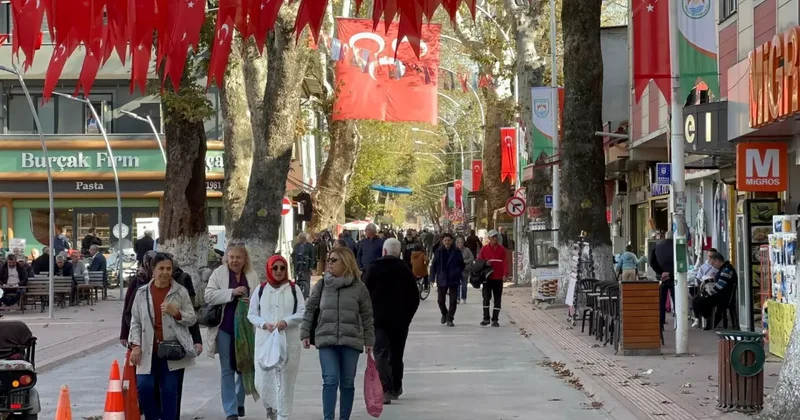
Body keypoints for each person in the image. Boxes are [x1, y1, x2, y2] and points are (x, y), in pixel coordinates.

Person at [300, 247, 375, 420]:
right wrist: (305, 332)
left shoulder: (359, 288)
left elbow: (367, 316)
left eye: (334, 260)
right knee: (330, 380)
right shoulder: (321, 285)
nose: (329, 263)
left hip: (351, 340)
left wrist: (369, 340)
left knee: (347, 383)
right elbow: (310, 309)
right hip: (326, 339)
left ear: (346, 262)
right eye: (328, 259)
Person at [128, 253, 197, 420]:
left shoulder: (180, 292)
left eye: (168, 268)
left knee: (169, 390)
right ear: (153, 270)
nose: (165, 272)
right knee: (144, 387)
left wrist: (177, 313)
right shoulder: (142, 293)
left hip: (171, 350)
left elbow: (192, 318)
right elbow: (135, 321)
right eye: (161, 268)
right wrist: (135, 346)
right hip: (147, 350)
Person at [204, 244, 259, 420]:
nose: (234, 261)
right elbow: (208, 296)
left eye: (238, 257)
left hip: (246, 329)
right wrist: (231, 292)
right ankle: (231, 410)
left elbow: (259, 298)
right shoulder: (218, 273)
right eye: (231, 257)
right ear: (226, 258)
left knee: (244, 366)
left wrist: (252, 302)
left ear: (245, 260)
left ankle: (239, 400)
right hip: (225, 327)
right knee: (227, 369)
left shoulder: (251, 275)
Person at [248, 255, 305, 420]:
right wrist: (264, 324)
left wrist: (286, 322)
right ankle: (271, 407)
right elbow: (252, 314)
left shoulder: (294, 289)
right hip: (265, 342)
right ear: (269, 269)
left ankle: (283, 414)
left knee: (286, 382)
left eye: (282, 268)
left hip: (289, 342)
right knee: (262, 381)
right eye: (275, 268)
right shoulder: (261, 290)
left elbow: (301, 312)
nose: (279, 271)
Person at [364, 239, 419, 404]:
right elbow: (414, 298)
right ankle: (396, 386)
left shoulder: (373, 268)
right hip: (400, 321)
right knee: (397, 353)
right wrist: (407, 317)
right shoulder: (405, 270)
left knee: (380, 352)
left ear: (384, 252)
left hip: (378, 319)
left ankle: (385, 388)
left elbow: (363, 293)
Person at [692, 252, 737, 330]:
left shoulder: (727, 269)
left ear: (717, 261)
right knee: (696, 299)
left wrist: (708, 293)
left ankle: (710, 319)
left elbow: (720, 285)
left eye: (713, 264)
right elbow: (717, 279)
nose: (713, 266)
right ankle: (709, 319)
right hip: (721, 295)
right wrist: (707, 281)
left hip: (723, 297)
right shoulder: (723, 269)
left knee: (699, 301)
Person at [430, 233, 464, 327]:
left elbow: (461, 264)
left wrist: (457, 272)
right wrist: (432, 277)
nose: (447, 242)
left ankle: (450, 318)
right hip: (442, 277)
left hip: (453, 278)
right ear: (442, 241)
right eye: (445, 240)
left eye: (449, 240)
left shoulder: (457, 251)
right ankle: (445, 314)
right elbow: (434, 265)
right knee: (440, 300)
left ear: (452, 241)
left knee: (453, 300)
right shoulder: (439, 251)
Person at [477, 230, 507, 327]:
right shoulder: (484, 249)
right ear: (489, 238)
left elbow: (505, 262)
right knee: (486, 298)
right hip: (487, 278)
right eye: (493, 237)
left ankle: (495, 319)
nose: (495, 239)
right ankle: (486, 318)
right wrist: (485, 263)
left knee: (497, 299)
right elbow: (478, 261)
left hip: (498, 278)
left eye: (496, 237)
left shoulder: (502, 249)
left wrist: (505, 274)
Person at [650, 231, 675, 329]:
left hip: (662, 278)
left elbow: (652, 262)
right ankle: (678, 322)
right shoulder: (676, 246)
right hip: (674, 278)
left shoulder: (658, 246)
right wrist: (671, 274)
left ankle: (661, 323)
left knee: (661, 301)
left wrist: (661, 272)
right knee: (676, 300)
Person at [291, 232, 315, 299]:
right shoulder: (296, 246)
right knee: (297, 279)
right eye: (299, 238)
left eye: (301, 238)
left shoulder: (310, 246)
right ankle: (297, 293)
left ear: (304, 238)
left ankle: (306, 294)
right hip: (297, 266)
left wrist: (311, 267)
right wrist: (293, 262)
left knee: (306, 280)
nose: (299, 239)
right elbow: (293, 255)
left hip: (306, 266)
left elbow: (312, 257)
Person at [456, 237, 474, 304]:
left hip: (465, 270)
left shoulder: (467, 250)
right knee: (457, 285)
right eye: (459, 243)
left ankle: (464, 298)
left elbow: (472, 258)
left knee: (464, 285)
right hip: (457, 270)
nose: (460, 244)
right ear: (457, 244)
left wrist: (465, 261)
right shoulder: (455, 250)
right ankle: (457, 298)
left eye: (461, 242)